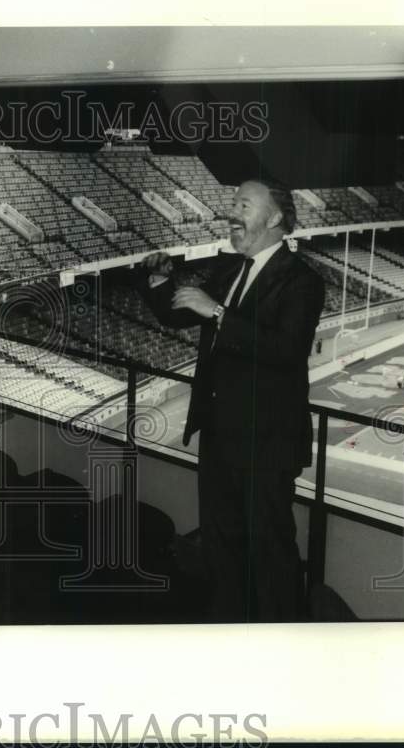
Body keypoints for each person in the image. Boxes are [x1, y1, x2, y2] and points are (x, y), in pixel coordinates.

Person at [140, 180, 325, 622]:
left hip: (267, 443)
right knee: (221, 550)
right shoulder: (229, 271)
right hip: (221, 437)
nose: (232, 211)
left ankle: (281, 647)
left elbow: (286, 350)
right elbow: (177, 311)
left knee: (269, 553)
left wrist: (219, 313)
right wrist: (158, 280)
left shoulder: (302, 280)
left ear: (276, 217)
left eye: (244, 203)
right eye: (232, 203)